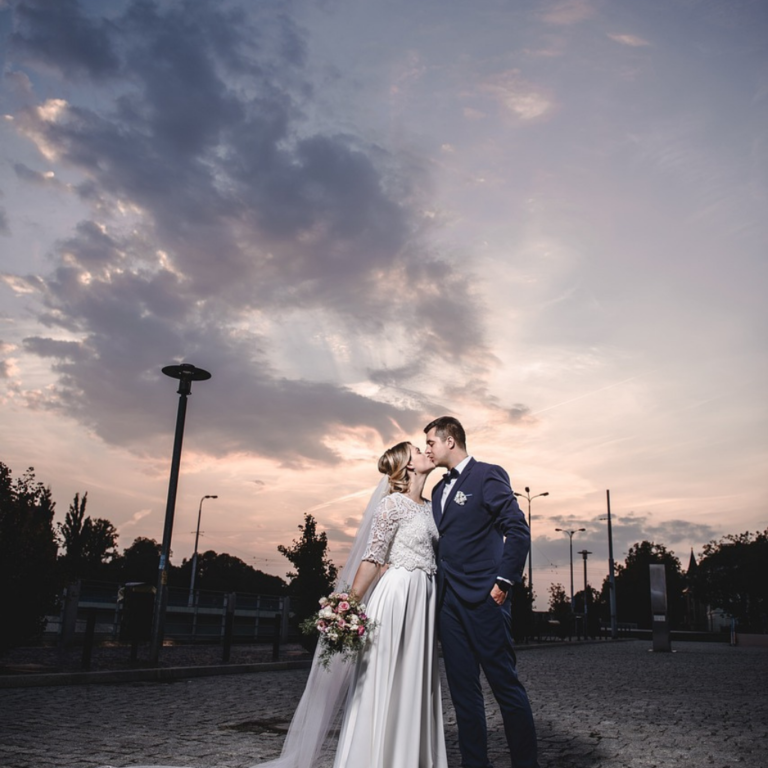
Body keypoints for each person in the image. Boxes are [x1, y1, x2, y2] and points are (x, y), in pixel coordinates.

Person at [424, 416, 538, 768]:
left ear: (451, 441)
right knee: (463, 694)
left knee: (505, 686)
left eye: (431, 442)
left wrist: (504, 582)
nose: (427, 448)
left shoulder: (488, 474)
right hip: (449, 605)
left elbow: (517, 529)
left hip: (486, 599)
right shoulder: (438, 491)